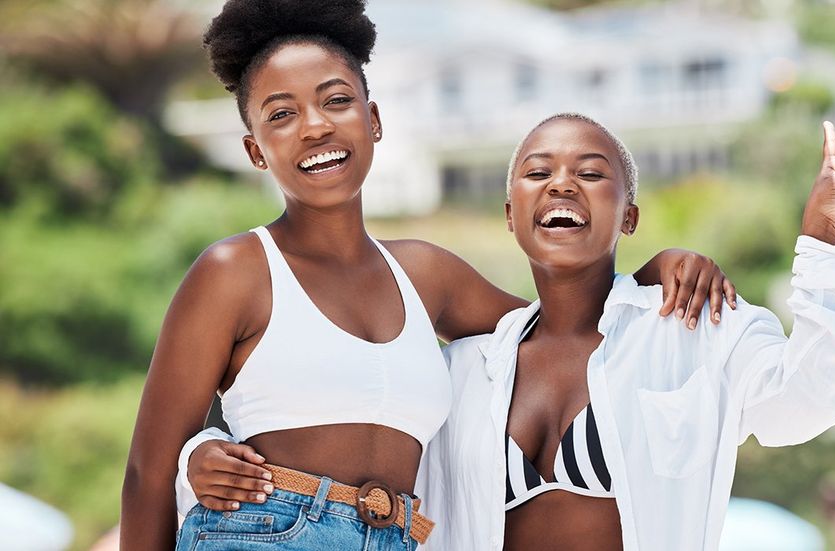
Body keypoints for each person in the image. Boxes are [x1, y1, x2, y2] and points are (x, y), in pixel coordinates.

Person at [119, 1, 735, 550]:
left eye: (336, 100)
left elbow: (567, 330)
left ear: (374, 119)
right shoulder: (235, 271)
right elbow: (149, 469)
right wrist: (195, 454)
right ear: (256, 149)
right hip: (262, 534)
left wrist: (655, 270)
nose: (315, 126)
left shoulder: (427, 275)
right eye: (281, 115)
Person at [182, 113, 835, 550]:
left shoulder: (691, 326)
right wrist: (206, 448)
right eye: (537, 172)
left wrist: (820, 241)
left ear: (629, 216)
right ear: (511, 215)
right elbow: (349, 436)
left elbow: (806, 402)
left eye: (592, 172)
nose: (561, 184)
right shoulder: (466, 368)